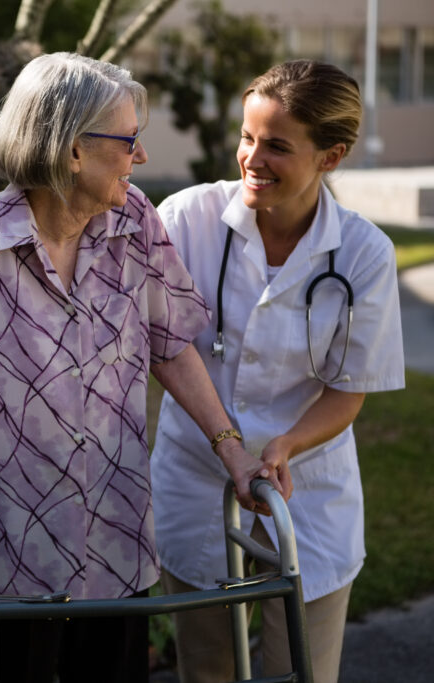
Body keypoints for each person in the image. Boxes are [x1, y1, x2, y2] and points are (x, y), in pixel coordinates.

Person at [0, 52, 281, 683]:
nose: (142, 157)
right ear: (74, 151)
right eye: (129, 141)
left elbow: (172, 344)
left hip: (115, 538)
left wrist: (231, 448)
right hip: (9, 546)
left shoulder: (135, 223)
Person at [151, 59, 406, 683]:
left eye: (278, 147)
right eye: (247, 137)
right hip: (198, 475)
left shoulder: (365, 254)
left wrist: (288, 444)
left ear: (332, 156)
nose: (252, 158)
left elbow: (348, 390)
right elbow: (161, 344)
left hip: (308, 493)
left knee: (304, 669)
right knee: (208, 667)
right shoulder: (187, 221)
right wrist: (231, 445)